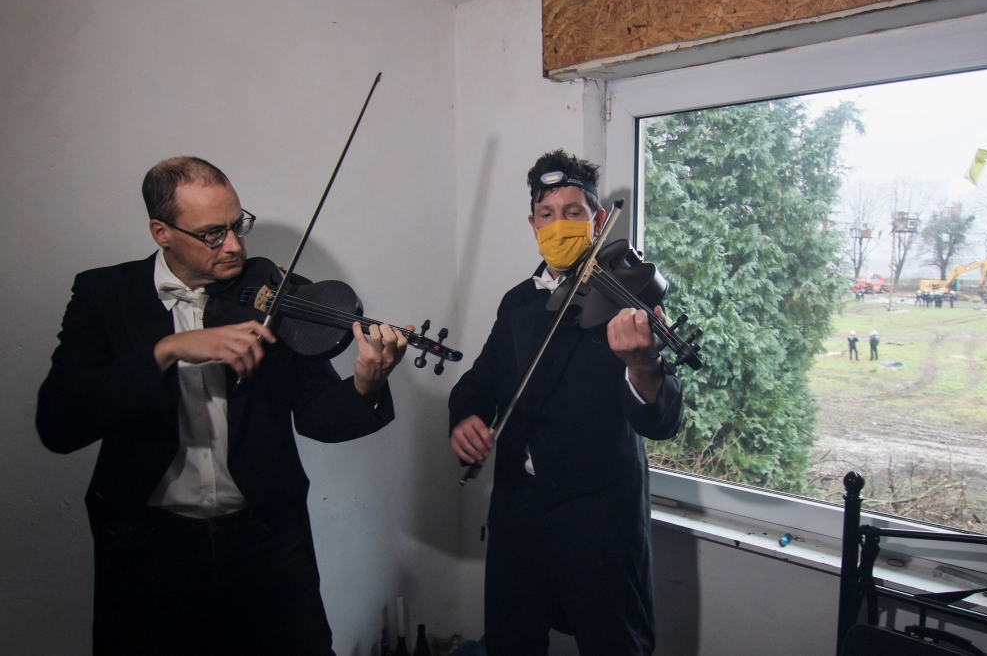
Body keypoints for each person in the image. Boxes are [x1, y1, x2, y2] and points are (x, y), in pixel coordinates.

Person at [36, 157, 413, 656]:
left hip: (265, 540)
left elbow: (318, 415)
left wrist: (365, 383)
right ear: (162, 232)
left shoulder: (274, 294)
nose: (234, 245)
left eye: (238, 225)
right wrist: (167, 351)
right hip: (147, 548)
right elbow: (60, 424)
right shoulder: (103, 295)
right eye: (213, 234)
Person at [448, 150, 685, 656]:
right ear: (533, 223)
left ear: (597, 221)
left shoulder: (627, 300)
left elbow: (663, 420)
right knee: (511, 641)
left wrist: (644, 365)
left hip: (597, 517)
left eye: (573, 212)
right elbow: (480, 380)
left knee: (615, 644)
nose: (559, 224)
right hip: (519, 510)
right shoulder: (518, 301)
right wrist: (466, 415)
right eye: (547, 213)